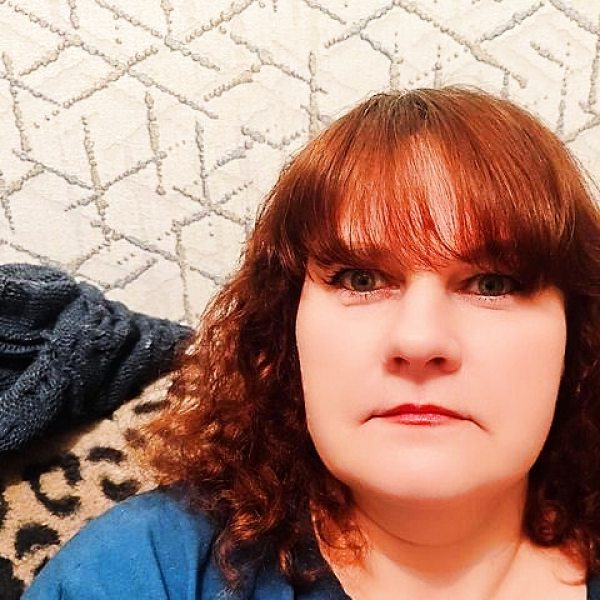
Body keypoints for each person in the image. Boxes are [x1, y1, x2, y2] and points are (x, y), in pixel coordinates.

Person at [24, 86, 600, 599]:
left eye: (492, 284)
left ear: (577, 337)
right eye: (360, 279)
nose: (419, 339)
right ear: (284, 331)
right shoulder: (141, 572)